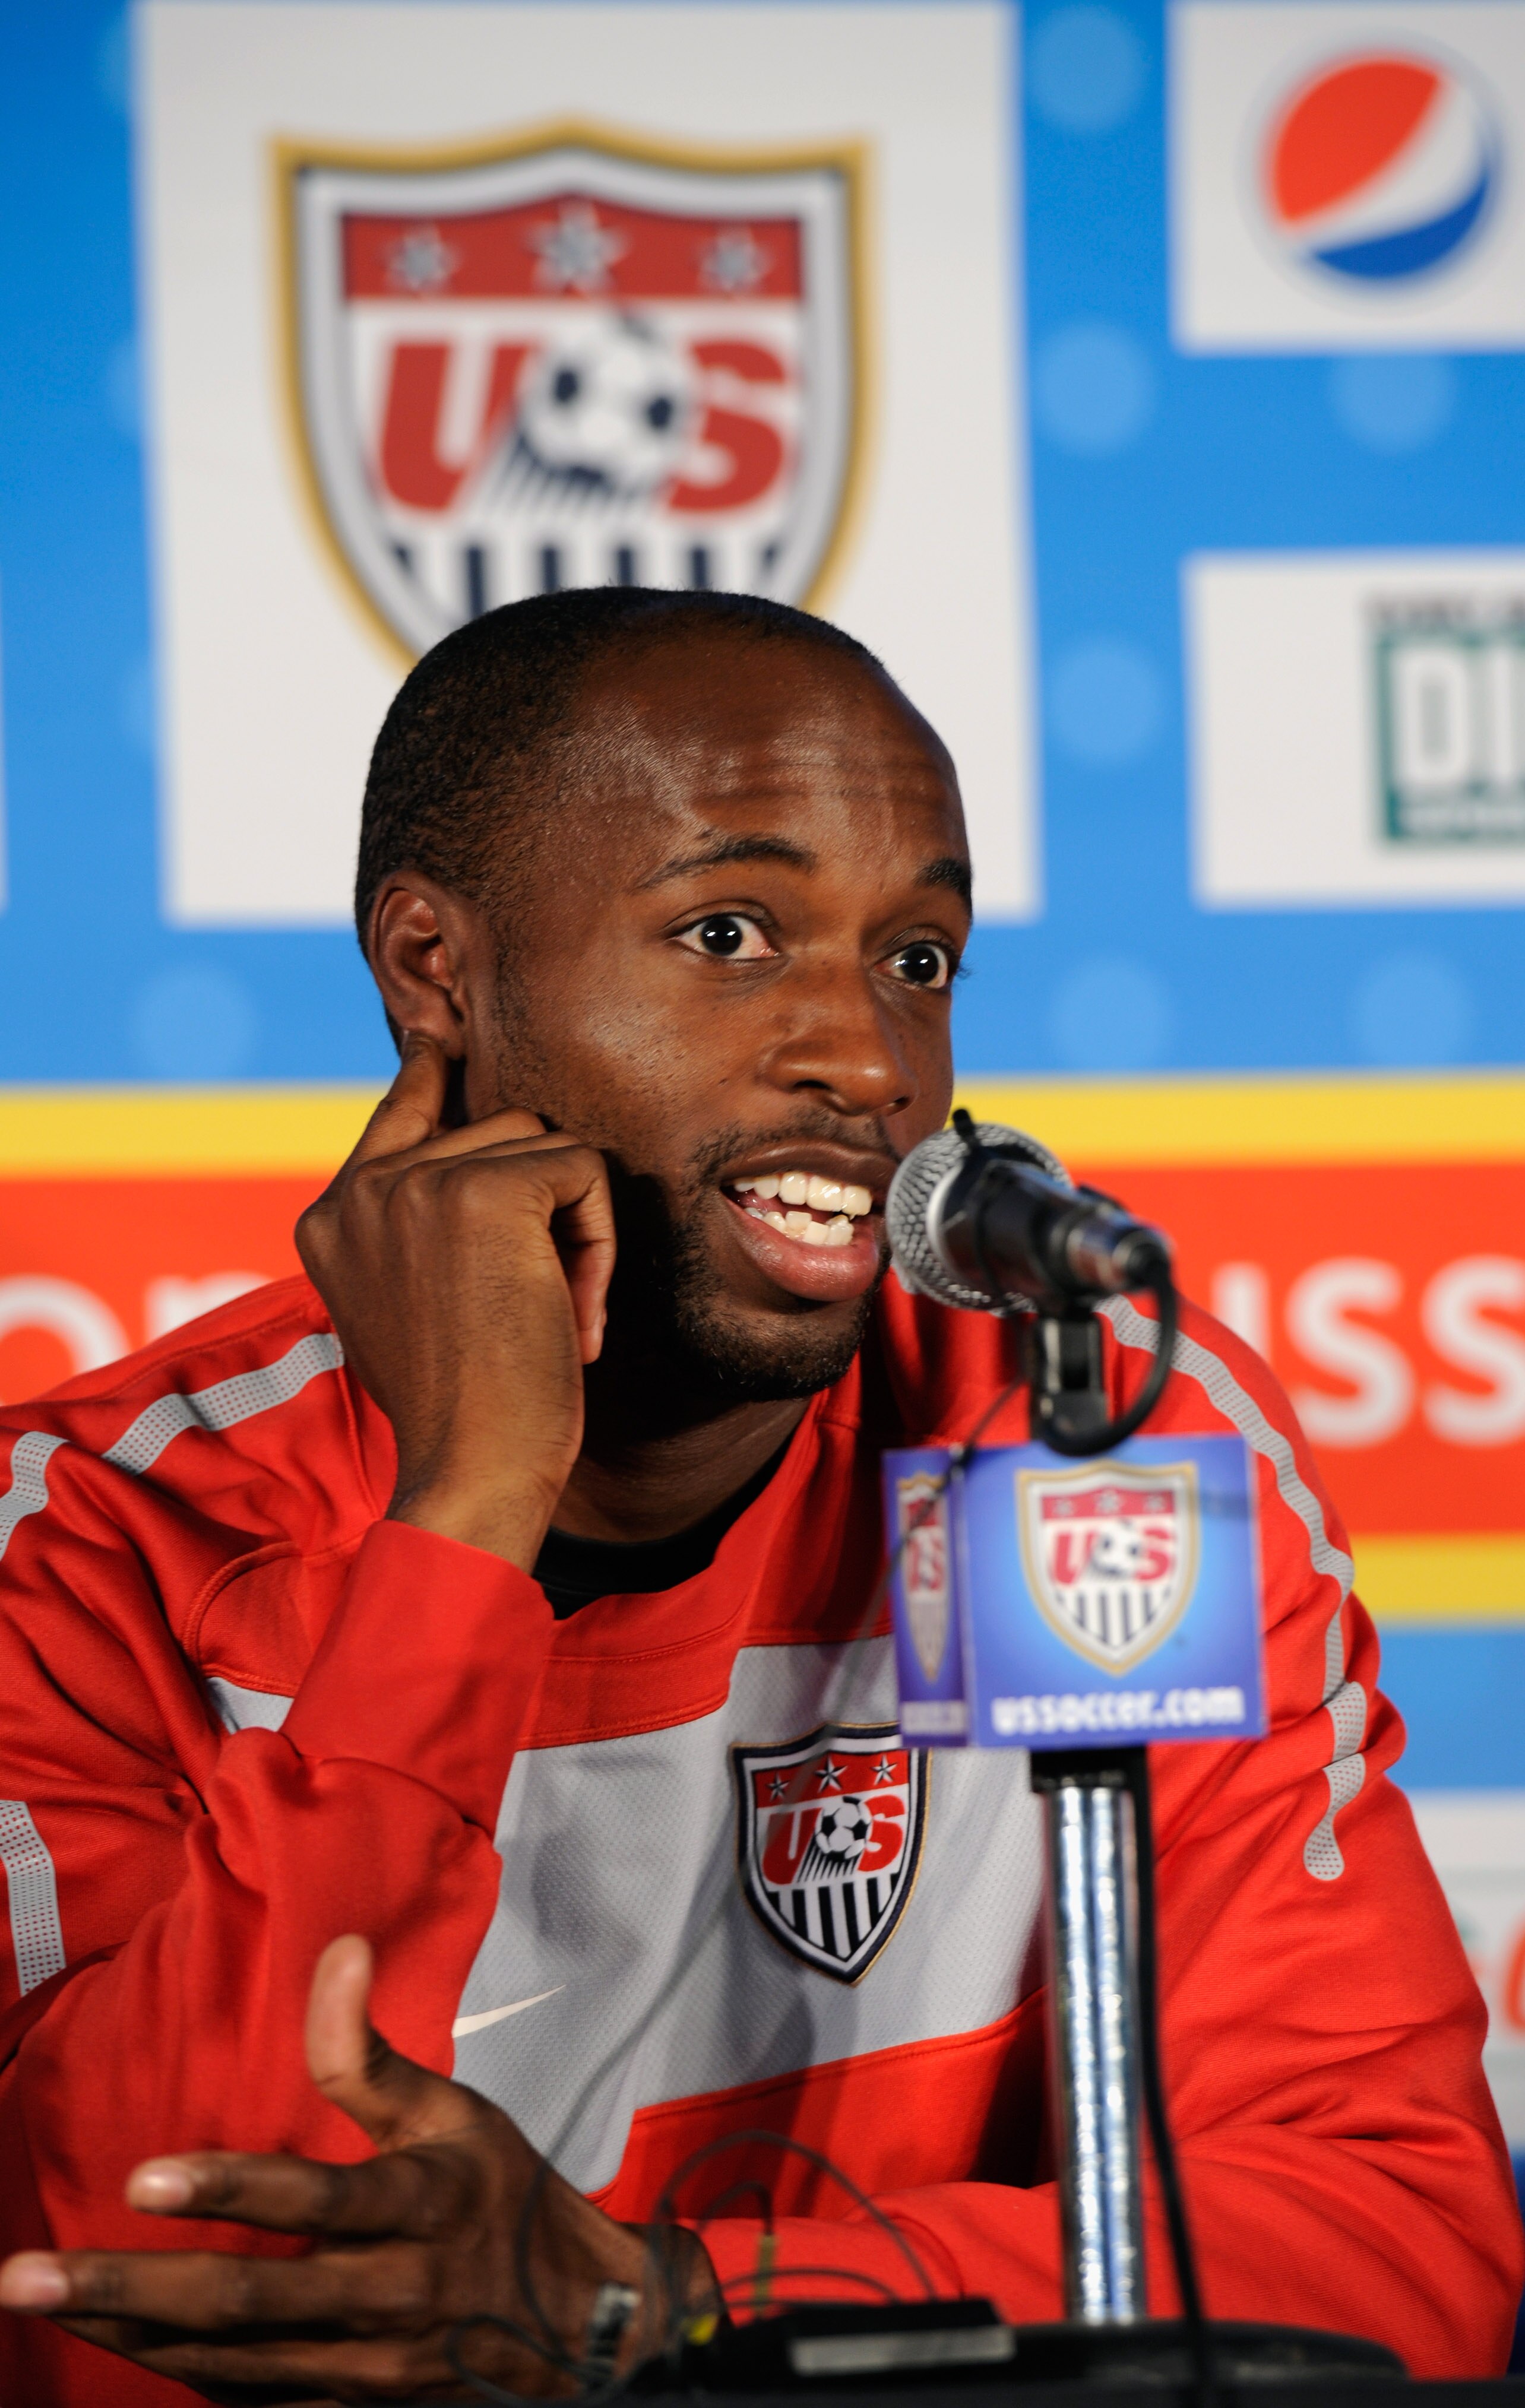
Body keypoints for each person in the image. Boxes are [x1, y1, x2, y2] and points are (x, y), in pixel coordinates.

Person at [0, 589, 1517, 2404]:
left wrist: (668, 2308)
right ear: (434, 970)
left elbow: (1399, 2238)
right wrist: (467, 1516)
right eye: (730, 933)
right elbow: (157, 2281)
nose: (874, 1065)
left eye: (920, 961)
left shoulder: (1091, 1438)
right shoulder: (91, 1537)